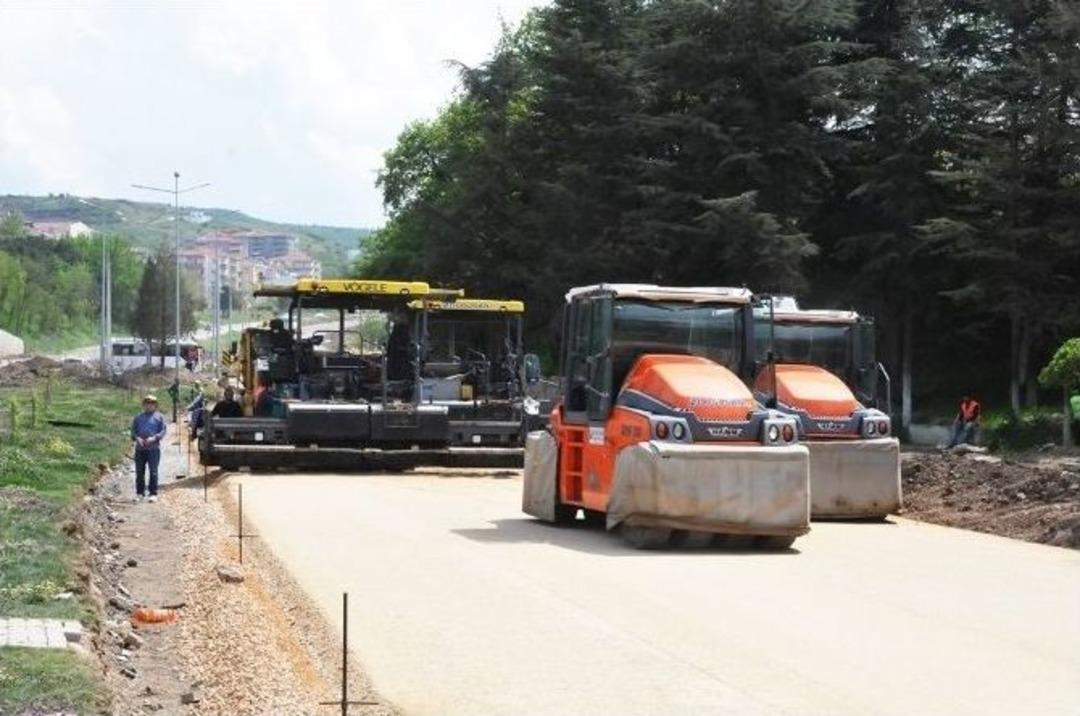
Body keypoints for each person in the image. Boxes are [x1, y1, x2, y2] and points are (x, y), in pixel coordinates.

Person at [130, 394, 167, 503]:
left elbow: (163, 431)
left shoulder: (159, 417)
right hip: (140, 449)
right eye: (146, 404)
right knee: (139, 472)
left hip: (153, 449)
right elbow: (133, 431)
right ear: (143, 405)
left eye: (151, 404)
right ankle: (140, 493)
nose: (149, 406)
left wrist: (154, 438)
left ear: (155, 405)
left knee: (153, 471)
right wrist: (137, 438)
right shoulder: (138, 417)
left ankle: (153, 493)